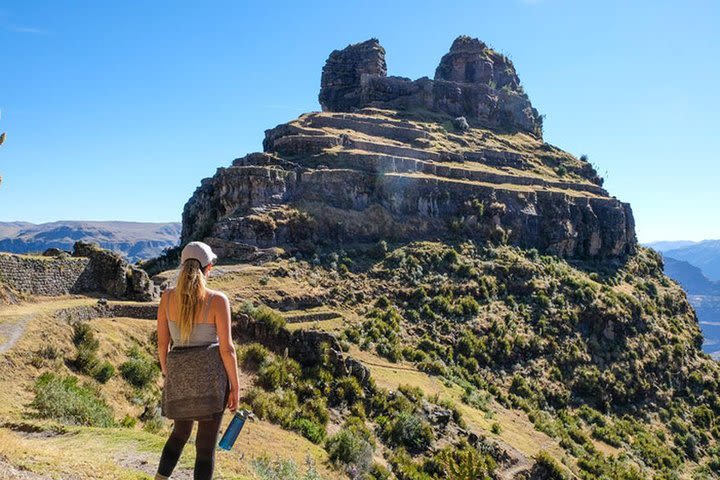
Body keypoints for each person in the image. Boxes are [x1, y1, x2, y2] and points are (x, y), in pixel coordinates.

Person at [155, 241, 240, 480]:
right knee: (205, 448)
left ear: (182, 266)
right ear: (208, 267)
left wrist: (168, 373)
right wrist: (235, 385)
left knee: (178, 435)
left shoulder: (167, 298)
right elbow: (227, 349)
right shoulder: (217, 300)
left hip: (179, 376)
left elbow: (162, 344)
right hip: (212, 381)